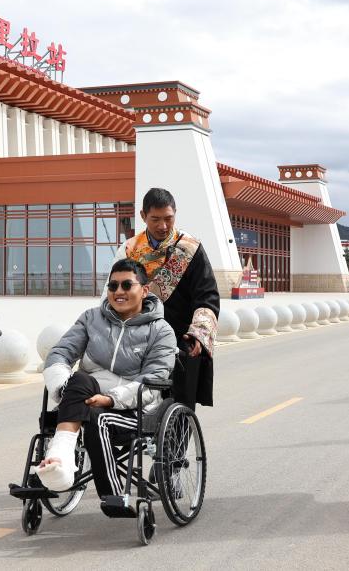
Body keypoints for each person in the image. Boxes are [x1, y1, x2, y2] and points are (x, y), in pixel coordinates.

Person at [38, 259, 177, 511]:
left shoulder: (160, 330)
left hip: (134, 408)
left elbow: (153, 379)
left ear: (144, 290)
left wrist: (111, 399)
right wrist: (63, 389)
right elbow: (60, 353)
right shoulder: (91, 318)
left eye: (126, 285)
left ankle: (108, 492)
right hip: (83, 397)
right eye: (113, 286)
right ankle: (61, 455)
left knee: (96, 416)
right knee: (79, 380)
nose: (118, 292)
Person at [118, 188, 220, 410]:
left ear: (175, 213)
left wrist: (199, 333)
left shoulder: (190, 249)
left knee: (180, 405)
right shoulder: (128, 250)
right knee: (132, 401)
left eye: (168, 218)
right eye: (155, 219)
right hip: (137, 336)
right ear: (143, 215)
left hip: (179, 338)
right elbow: (114, 295)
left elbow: (207, 295)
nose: (163, 226)